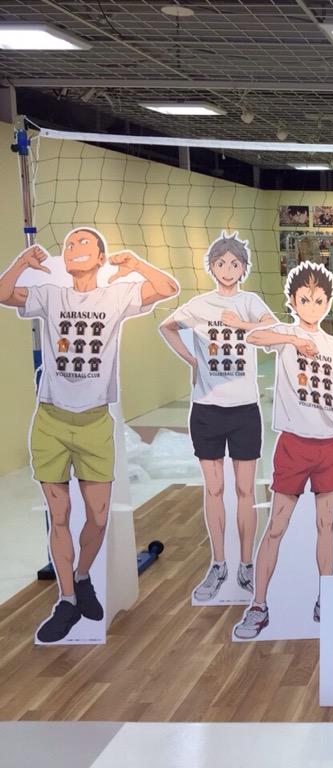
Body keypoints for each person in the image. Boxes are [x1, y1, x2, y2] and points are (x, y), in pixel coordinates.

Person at [0, 228, 179, 642]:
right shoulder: (50, 295)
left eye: (84, 243)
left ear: (100, 257)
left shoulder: (115, 297)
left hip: (95, 421)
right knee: (59, 516)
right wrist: (22, 262)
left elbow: (167, 288)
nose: (74, 248)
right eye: (69, 245)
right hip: (51, 420)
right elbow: (4, 293)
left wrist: (135, 264)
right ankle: (66, 600)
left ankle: (82, 577)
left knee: (98, 515)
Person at [233, 262, 333, 640]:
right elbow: (253, 336)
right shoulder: (285, 333)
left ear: (327, 303)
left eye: (319, 301)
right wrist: (291, 341)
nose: (312, 307)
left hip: (329, 446)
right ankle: (258, 605)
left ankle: (325, 598)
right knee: (276, 526)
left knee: (325, 525)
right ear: (292, 300)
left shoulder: (332, 345)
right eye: (305, 300)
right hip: (294, 445)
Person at [159, 233, 276, 602]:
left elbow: (274, 331)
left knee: (245, 490)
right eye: (221, 263)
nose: (228, 269)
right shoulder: (199, 304)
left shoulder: (250, 302)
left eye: (235, 264)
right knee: (213, 489)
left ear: (244, 267)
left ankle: (246, 564)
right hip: (207, 409)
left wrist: (241, 324)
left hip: (244, 409)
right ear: (211, 266)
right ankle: (219, 563)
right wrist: (191, 360)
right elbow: (166, 326)